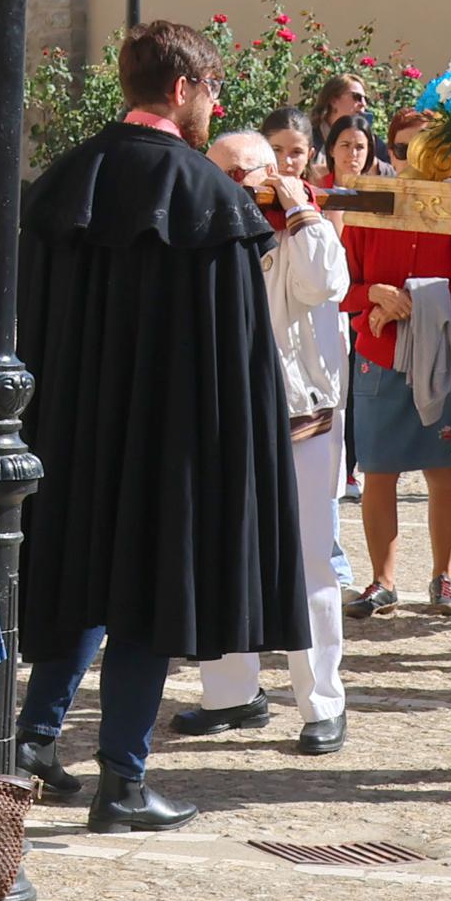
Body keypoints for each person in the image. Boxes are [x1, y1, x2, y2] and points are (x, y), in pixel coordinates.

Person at [13, 19, 302, 830]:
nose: (214, 104)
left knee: (82, 581)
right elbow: (238, 360)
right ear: (182, 90)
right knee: (144, 597)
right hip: (167, 444)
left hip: (66, 432)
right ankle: (123, 783)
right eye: (211, 89)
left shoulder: (64, 180)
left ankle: (35, 738)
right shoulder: (211, 200)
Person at [177, 126, 352, 754]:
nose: (244, 185)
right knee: (222, 560)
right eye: (229, 174)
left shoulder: (304, 232)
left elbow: (325, 284)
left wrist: (298, 205)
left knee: (310, 566)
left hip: (300, 423)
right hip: (223, 422)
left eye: (255, 172)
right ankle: (231, 694)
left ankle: (322, 703)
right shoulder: (199, 234)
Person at [344, 207, 451, 618]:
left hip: (444, 354)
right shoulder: (367, 214)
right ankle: (382, 581)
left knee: (444, 471)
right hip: (378, 352)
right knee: (378, 470)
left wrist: (410, 301)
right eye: (404, 150)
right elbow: (339, 285)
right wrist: (374, 295)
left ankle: (444, 576)